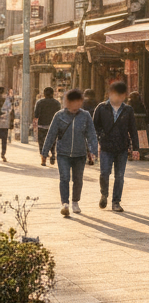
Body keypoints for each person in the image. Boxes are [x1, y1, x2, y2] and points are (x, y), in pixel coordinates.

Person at [42, 88, 97, 216]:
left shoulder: (85, 116)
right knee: (64, 178)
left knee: (78, 179)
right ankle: (65, 203)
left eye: (78, 102)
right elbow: (51, 134)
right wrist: (45, 152)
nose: (75, 105)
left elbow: (91, 134)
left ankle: (75, 202)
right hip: (63, 153)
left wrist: (93, 150)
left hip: (80, 154)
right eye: (72, 102)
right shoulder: (59, 116)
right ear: (67, 102)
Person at [92, 81, 140, 213]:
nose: (119, 97)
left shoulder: (128, 110)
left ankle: (116, 202)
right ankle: (104, 194)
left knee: (119, 176)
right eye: (117, 94)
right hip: (106, 147)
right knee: (104, 173)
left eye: (122, 95)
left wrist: (135, 148)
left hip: (122, 148)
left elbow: (133, 129)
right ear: (111, 94)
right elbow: (94, 127)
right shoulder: (101, 108)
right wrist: (98, 140)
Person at [34, 86, 61, 164]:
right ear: (53, 94)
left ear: (44, 94)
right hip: (53, 126)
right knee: (52, 141)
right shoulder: (57, 103)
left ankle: (44, 158)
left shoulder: (39, 102)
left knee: (42, 142)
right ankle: (53, 154)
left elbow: (36, 115)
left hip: (42, 125)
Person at [0, 89, 14, 162]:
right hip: (4, 124)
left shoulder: (7, 101)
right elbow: (10, 111)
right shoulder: (7, 101)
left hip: (4, 123)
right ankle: (3, 154)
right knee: (4, 140)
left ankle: (3, 154)